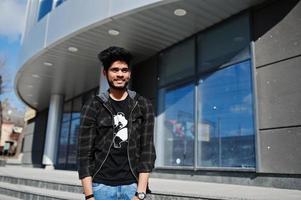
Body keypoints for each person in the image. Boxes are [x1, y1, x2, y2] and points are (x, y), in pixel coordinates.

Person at [77, 46, 156, 200]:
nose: (120, 74)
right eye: (115, 70)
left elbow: (147, 151)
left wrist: (140, 193)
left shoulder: (143, 105)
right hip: (101, 187)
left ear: (129, 73)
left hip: (132, 186)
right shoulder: (93, 105)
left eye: (124, 70)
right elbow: (84, 154)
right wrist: (89, 196)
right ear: (105, 73)